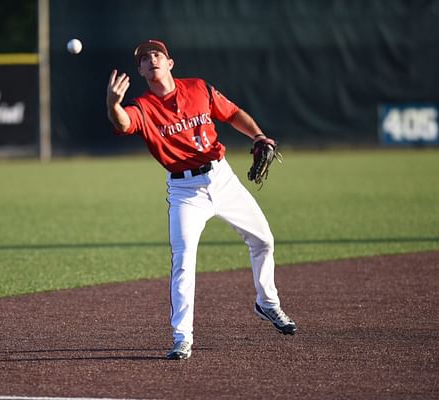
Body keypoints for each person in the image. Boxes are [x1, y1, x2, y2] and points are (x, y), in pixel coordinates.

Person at [106, 40, 297, 360]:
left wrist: (259, 136)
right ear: (140, 70)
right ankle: (182, 337)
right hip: (185, 193)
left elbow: (232, 113)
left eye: (157, 55)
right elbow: (123, 123)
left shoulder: (197, 88)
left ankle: (268, 303)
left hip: (222, 179)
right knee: (184, 262)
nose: (151, 59)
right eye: (144, 58)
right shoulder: (142, 107)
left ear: (170, 63)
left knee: (264, 239)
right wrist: (112, 104)